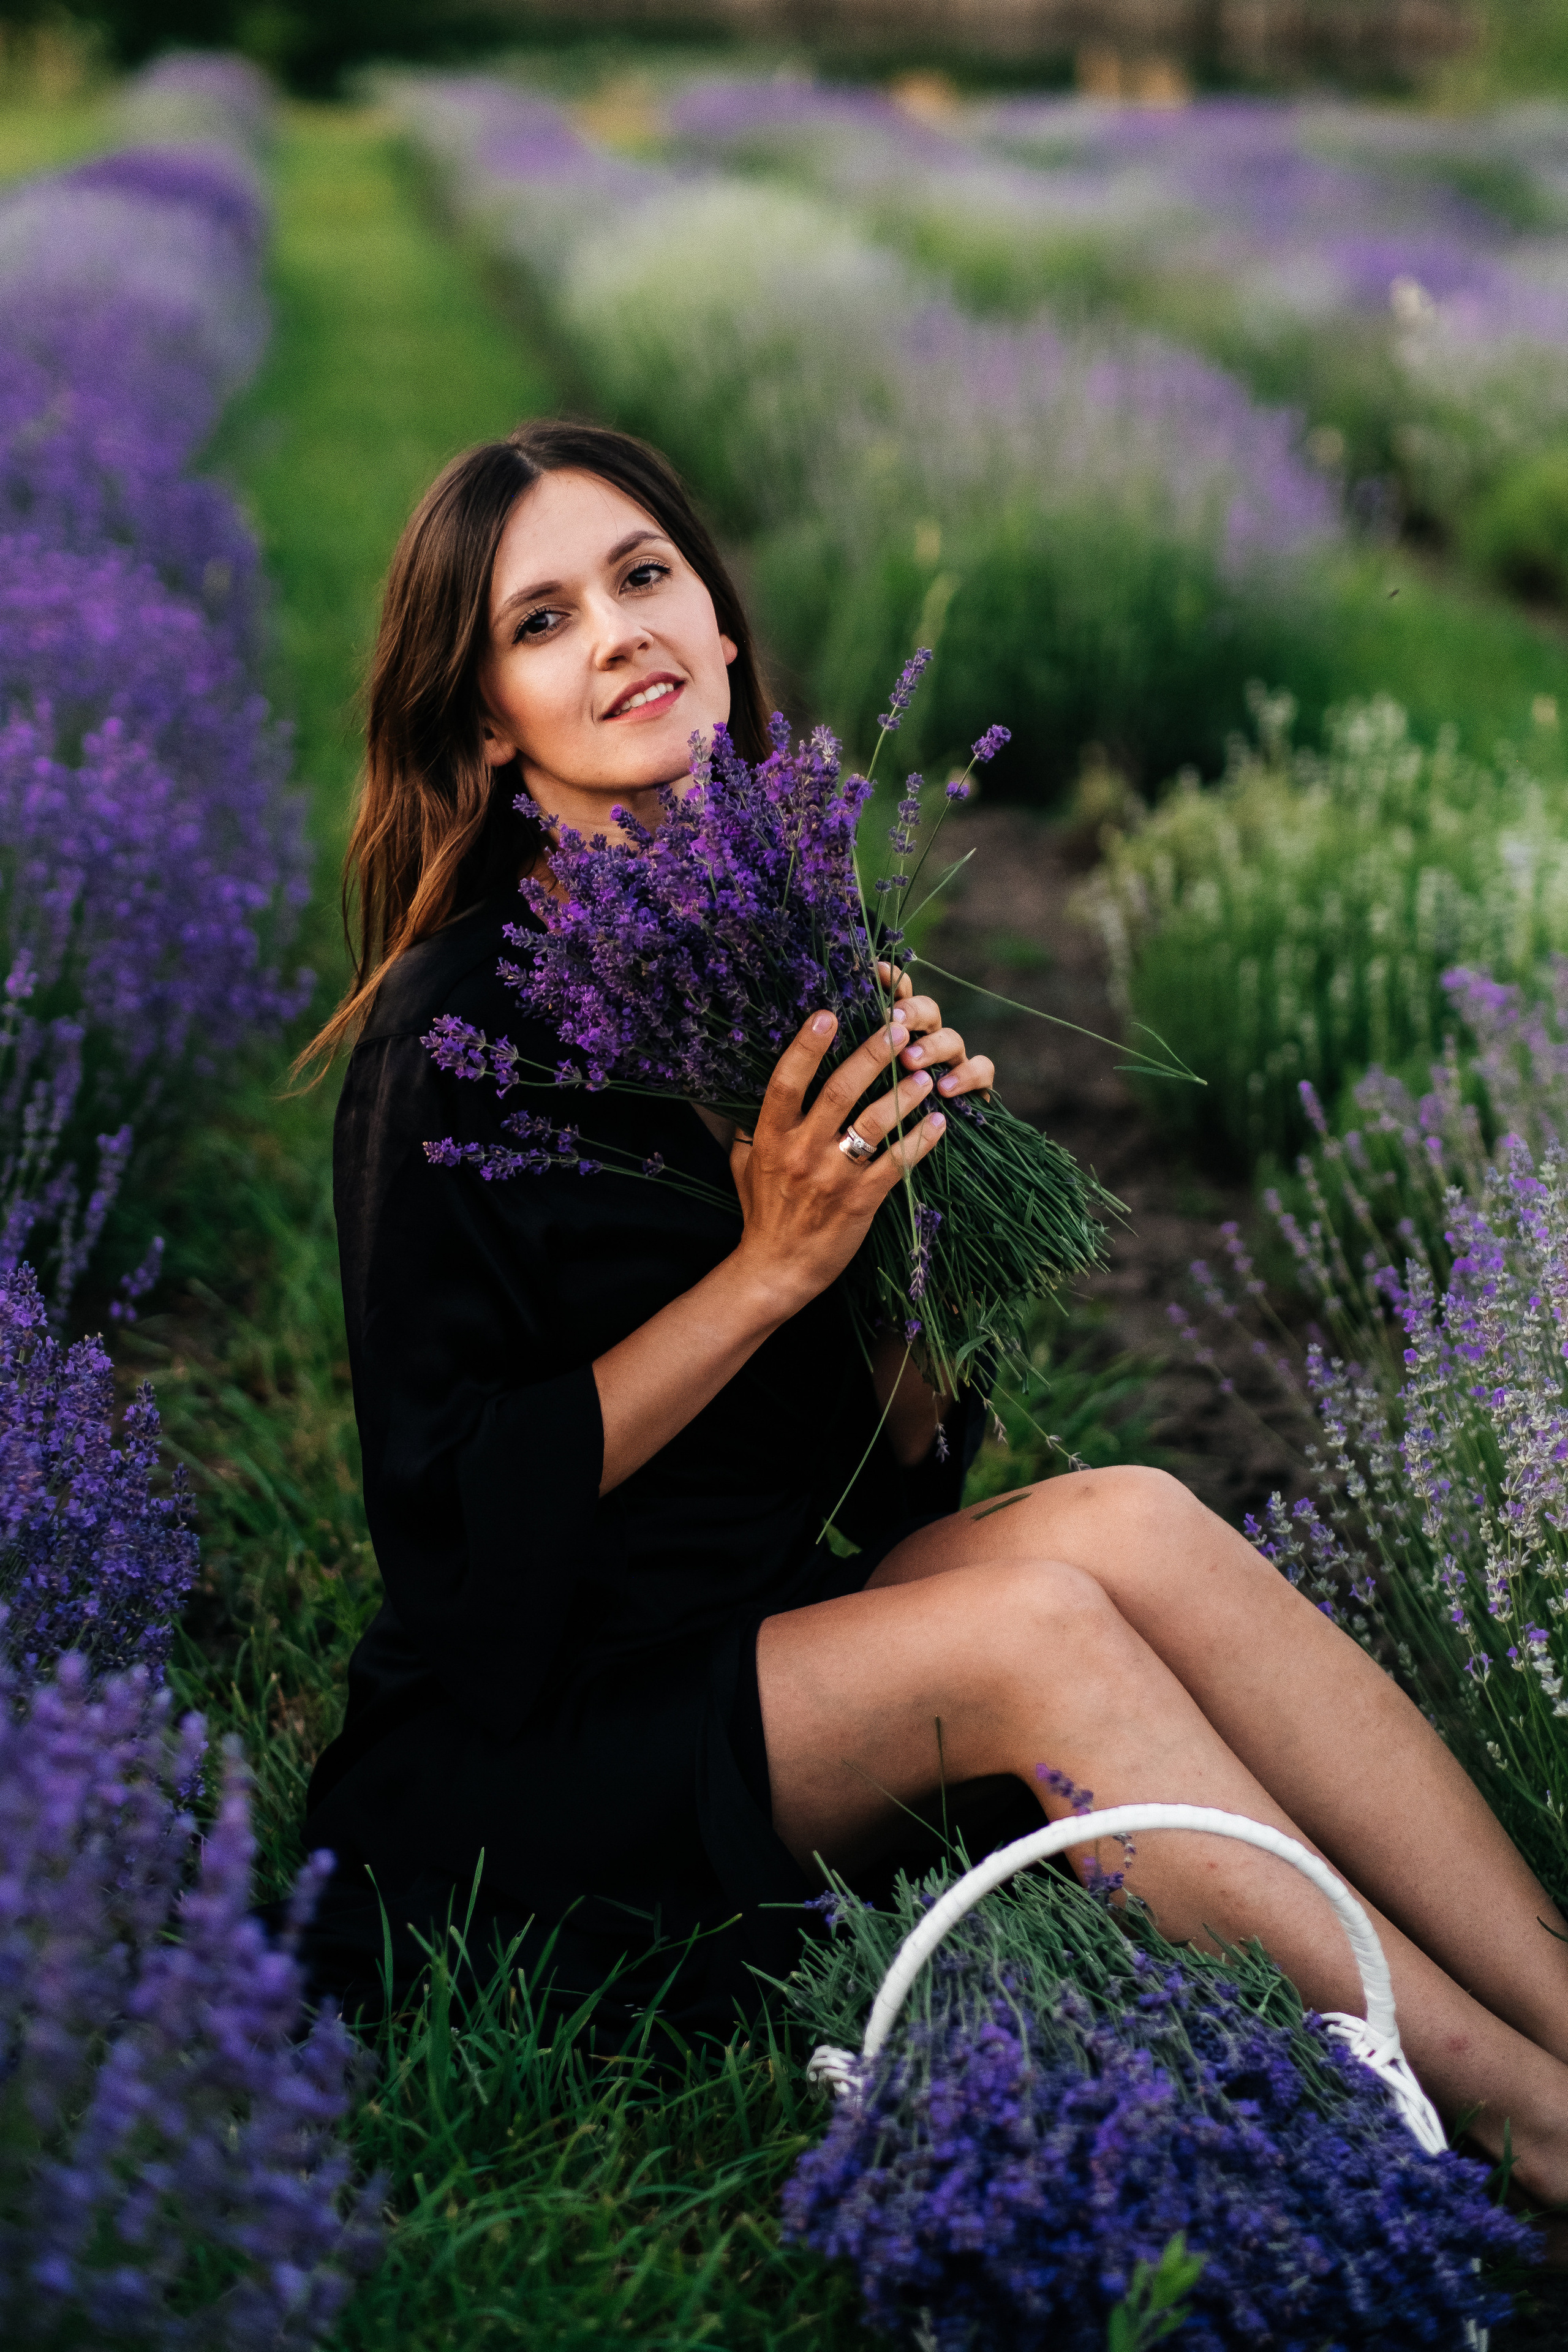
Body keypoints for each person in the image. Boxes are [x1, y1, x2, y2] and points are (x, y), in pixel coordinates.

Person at [301, 418, 1568, 2215]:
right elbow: (452, 1533)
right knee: (1025, 1638)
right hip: (523, 1752)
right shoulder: (453, 1040)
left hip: (748, 1633)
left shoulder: (782, 933)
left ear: (727, 631)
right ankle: (1529, 2123)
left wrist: (902, 1226)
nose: (618, 633)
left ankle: (1560, 2006)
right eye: (542, 619)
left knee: (1127, 1512)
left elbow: (893, 1481)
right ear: (490, 719)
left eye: (645, 576)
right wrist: (769, 1269)